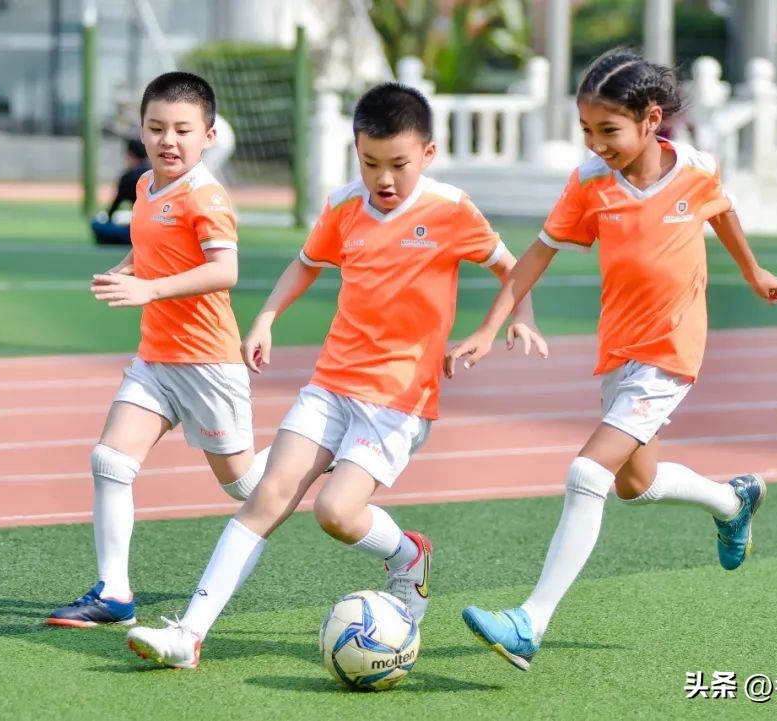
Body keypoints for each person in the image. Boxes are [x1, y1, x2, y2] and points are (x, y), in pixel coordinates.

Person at [124, 81, 546, 669]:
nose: (384, 178)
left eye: (398, 164)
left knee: (336, 514)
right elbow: (305, 265)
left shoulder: (450, 209)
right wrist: (266, 318)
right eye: (371, 163)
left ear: (427, 153)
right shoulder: (345, 205)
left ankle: (407, 555)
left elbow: (513, 268)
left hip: (398, 399)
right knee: (268, 496)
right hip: (330, 384)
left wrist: (504, 324)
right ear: (356, 151)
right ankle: (188, 636)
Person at [445, 49, 777, 671]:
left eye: (609, 130)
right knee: (636, 484)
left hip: (671, 349)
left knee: (587, 473)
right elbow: (536, 256)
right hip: (619, 349)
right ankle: (732, 502)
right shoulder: (588, 184)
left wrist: (751, 269)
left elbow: (722, 210)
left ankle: (529, 622)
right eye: (586, 130)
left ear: (651, 120)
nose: (597, 144)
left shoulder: (696, 169)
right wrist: (491, 326)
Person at [47, 71, 269, 628]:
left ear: (209, 136)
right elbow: (152, 246)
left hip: (208, 364)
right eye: (156, 128)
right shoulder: (146, 186)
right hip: (156, 361)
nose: (168, 140)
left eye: (182, 130)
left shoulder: (207, 197)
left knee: (245, 486)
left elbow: (225, 270)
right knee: (110, 460)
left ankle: (311, 454)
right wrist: (127, 270)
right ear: (142, 132)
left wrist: (148, 290)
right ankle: (114, 594)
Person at [90, 138, 151, 247]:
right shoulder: (156, 173)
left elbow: (114, 207)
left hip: (137, 232)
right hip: (159, 228)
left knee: (96, 224)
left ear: (130, 154)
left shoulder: (128, 177)